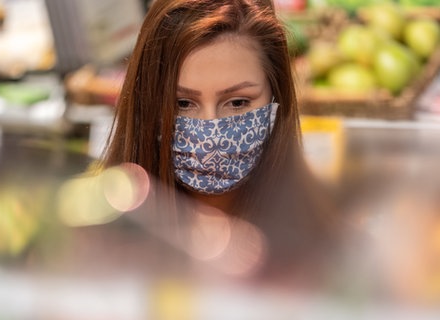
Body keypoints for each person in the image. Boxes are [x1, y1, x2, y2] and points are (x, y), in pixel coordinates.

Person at [101, 0, 342, 286]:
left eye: (237, 102)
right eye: (183, 103)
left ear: (277, 97)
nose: (210, 131)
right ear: (148, 104)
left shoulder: (329, 251)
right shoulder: (97, 250)